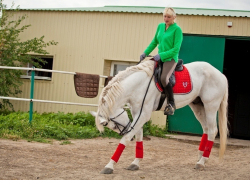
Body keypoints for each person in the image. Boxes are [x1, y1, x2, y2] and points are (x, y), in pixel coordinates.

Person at [140, 7, 183, 115]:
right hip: (159, 57)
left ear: (174, 17)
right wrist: (145, 53)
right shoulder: (160, 26)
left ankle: (171, 104)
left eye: (169, 17)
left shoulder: (177, 30)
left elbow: (175, 49)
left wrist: (161, 55)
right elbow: (154, 42)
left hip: (170, 59)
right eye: (165, 16)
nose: (166, 18)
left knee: (164, 78)